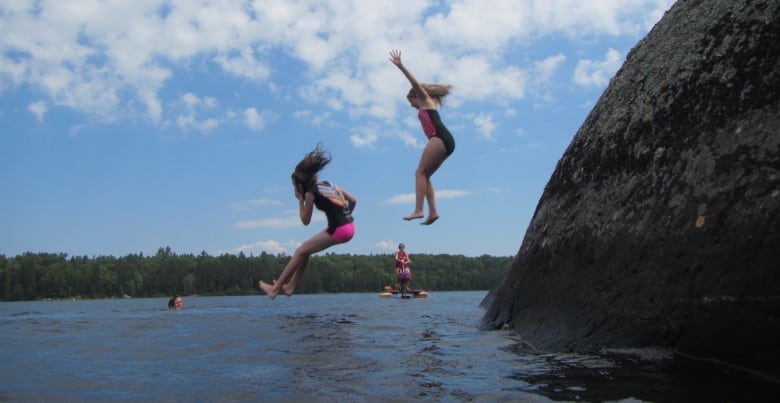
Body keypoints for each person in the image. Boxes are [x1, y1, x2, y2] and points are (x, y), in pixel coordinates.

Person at [259, 144, 357, 299]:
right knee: (305, 250)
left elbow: (305, 221)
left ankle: (275, 289)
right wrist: (345, 216)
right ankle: (290, 287)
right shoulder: (329, 184)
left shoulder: (311, 192)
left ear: (300, 184)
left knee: (300, 251)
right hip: (350, 225)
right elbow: (353, 200)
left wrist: (300, 201)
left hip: (340, 229)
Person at [389, 49, 455, 225]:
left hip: (439, 138)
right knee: (425, 176)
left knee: (419, 172)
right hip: (446, 141)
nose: (411, 106)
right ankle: (433, 212)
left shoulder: (426, 101)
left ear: (416, 96)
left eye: (411, 102)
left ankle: (419, 209)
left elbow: (414, 82)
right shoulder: (425, 105)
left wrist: (401, 66)